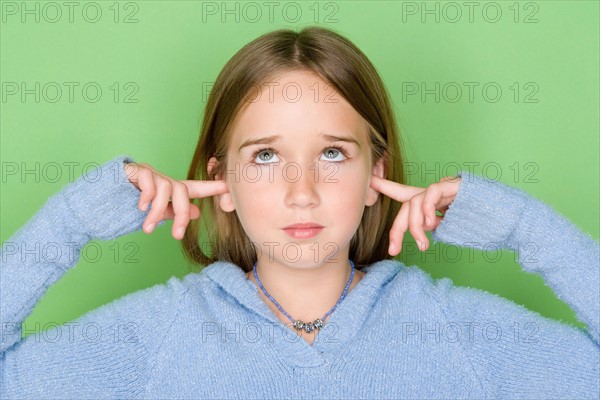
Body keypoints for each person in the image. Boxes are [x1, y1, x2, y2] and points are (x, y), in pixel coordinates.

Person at [1, 26, 598, 399]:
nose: (301, 190)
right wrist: (75, 219)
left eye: (333, 153)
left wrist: (520, 227)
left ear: (376, 177)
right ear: (222, 182)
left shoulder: (458, 333)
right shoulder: (159, 337)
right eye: (265, 156)